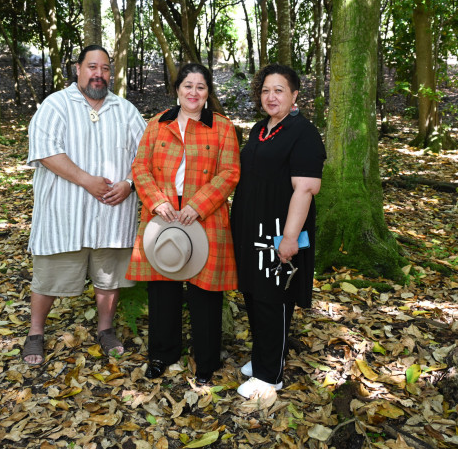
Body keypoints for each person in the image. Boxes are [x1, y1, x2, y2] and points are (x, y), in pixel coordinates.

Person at [23, 45, 146, 365]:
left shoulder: (125, 110)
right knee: (48, 276)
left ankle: (105, 330)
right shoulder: (56, 105)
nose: (98, 74)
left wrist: (130, 184)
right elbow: (44, 151)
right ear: (77, 69)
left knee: (110, 277)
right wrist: (86, 180)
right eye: (92, 67)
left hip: (112, 215)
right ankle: (36, 332)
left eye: (105, 68)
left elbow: (146, 156)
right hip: (65, 216)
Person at [126, 63, 240, 385]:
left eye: (200, 87)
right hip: (162, 215)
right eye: (188, 86)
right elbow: (140, 166)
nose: (193, 93)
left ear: (208, 93)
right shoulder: (157, 124)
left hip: (204, 215)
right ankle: (162, 354)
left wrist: (197, 205)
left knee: (205, 292)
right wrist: (156, 200)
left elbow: (230, 172)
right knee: (163, 288)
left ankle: (205, 361)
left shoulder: (223, 127)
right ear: (177, 89)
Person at [230, 63, 326, 398]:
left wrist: (289, 237)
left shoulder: (304, 133)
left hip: (279, 231)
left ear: (295, 94)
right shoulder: (260, 128)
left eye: (279, 90)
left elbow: (305, 189)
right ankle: (262, 358)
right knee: (255, 295)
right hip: (250, 229)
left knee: (275, 297)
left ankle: (270, 376)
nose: (271, 97)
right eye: (266, 90)